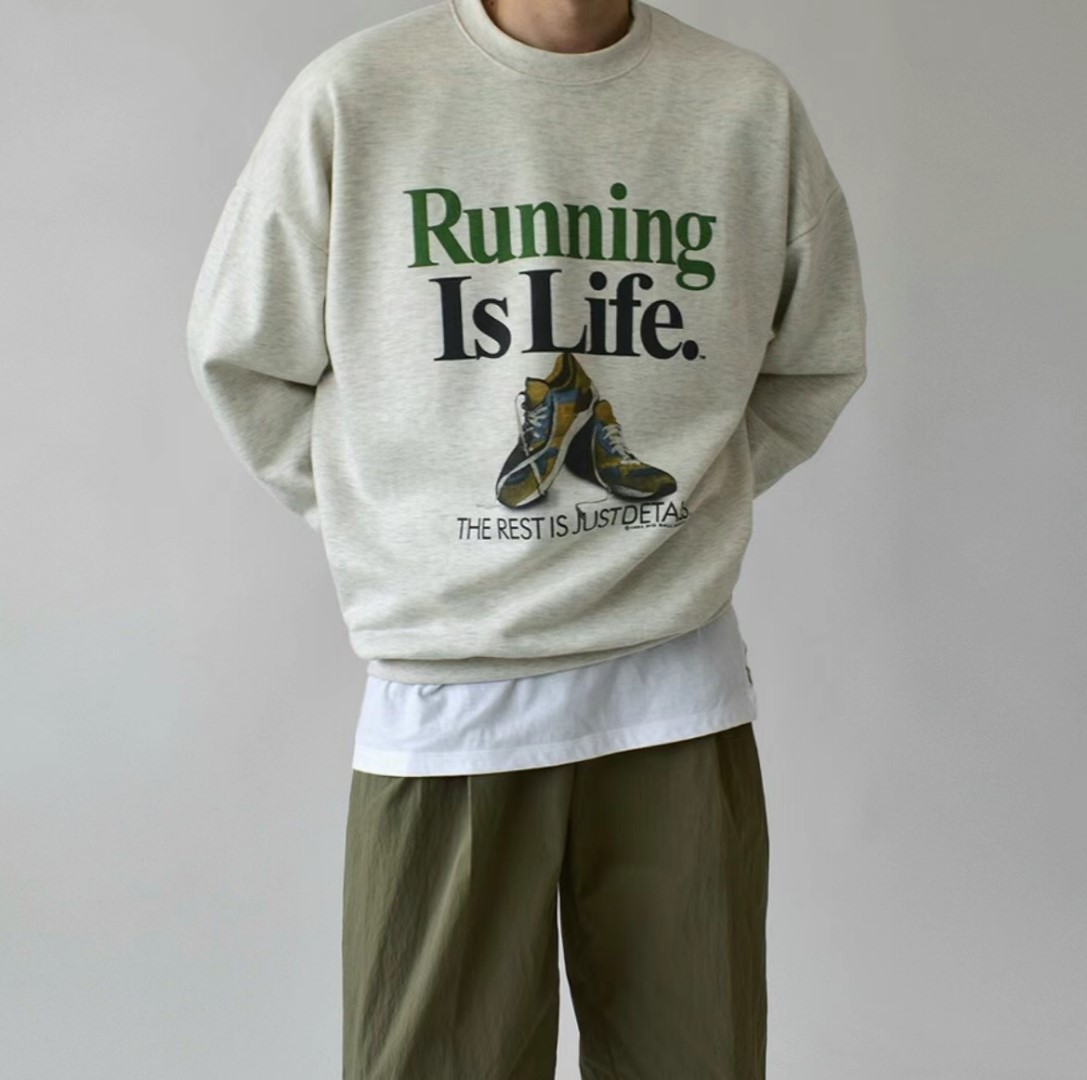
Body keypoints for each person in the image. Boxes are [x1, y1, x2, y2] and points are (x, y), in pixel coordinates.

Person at [185, 0, 867, 1075]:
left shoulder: (744, 105)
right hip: (452, 690)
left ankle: (574, 421)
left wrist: (681, 514)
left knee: (694, 1058)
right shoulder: (357, 95)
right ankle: (563, 418)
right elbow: (243, 357)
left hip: (671, 684)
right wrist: (398, 527)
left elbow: (813, 356)